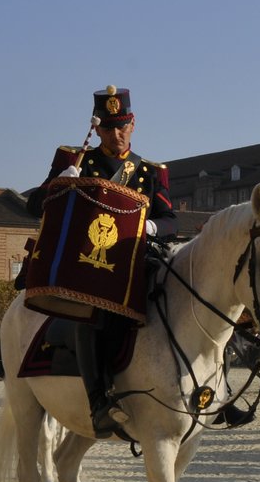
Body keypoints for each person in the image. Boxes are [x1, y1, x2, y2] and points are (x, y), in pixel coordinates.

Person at [14, 86, 177, 437]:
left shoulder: (151, 171)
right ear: (97, 129)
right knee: (91, 314)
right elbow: (33, 206)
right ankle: (99, 399)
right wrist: (56, 185)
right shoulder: (75, 159)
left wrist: (151, 224)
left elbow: (170, 219)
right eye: (107, 129)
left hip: (134, 259)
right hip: (85, 265)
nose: (115, 135)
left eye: (121, 127)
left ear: (132, 125)